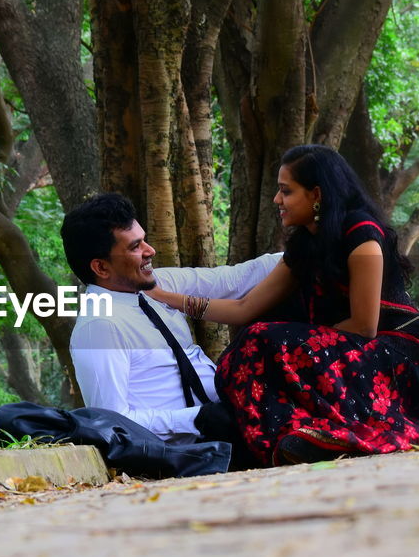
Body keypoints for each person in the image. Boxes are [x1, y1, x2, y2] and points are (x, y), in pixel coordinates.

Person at [145, 144, 419, 467]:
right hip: (340, 352)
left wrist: (300, 348)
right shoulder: (305, 246)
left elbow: (364, 326)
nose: (277, 199)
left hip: (388, 351)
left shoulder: (363, 236)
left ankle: (319, 435)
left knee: (263, 341)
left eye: (286, 191)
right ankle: (305, 437)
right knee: (250, 341)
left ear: (316, 195)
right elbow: (244, 309)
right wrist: (167, 297)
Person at [61, 193, 279, 467]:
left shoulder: (160, 283)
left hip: (232, 415)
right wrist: (196, 419)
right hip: (195, 449)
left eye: (145, 239)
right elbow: (111, 422)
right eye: (135, 246)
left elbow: (236, 279)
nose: (150, 251)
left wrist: (320, 244)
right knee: (263, 339)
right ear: (101, 267)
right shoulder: (99, 326)